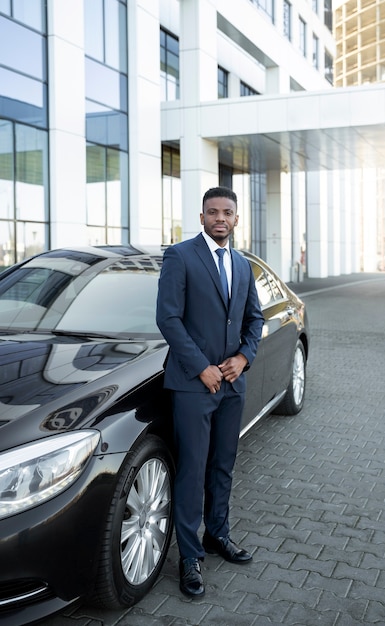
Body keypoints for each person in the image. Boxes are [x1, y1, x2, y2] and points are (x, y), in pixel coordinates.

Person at [156, 186, 264, 598]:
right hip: (193, 384)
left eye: (227, 212)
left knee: (223, 464)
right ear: (201, 218)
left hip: (233, 384)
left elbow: (254, 319)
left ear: (236, 220)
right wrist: (200, 366)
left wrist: (244, 358)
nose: (220, 218)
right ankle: (190, 555)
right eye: (212, 212)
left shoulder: (241, 263)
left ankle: (218, 534)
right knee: (193, 469)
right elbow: (168, 318)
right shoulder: (180, 256)